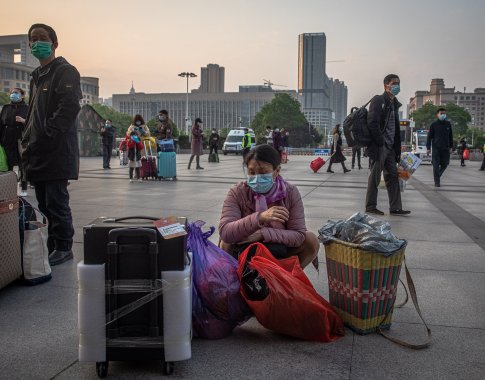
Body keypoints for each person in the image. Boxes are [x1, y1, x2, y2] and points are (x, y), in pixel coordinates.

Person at [21, 23, 82, 265]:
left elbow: (69, 107)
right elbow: (34, 113)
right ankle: (54, 243)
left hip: (55, 150)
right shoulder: (36, 76)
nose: (37, 43)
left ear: (54, 43)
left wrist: (47, 134)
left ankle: (64, 246)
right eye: (33, 39)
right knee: (45, 202)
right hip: (36, 150)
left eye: (42, 38)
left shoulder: (65, 71)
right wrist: (28, 139)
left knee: (57, 200)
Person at [219, 144, 319, 269]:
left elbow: (298, 235)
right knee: (225, 242)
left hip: (279, 250)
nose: (256, 178)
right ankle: (233, 280)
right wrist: (259, 218)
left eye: (263, 172)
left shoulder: (290, 192)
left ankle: (286, 279)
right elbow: (225, 232)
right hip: (243, 250)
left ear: (276, 171)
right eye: (251, 172)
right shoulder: (238, 192)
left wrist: (263, 233)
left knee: (311, 241)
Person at [365, 74, 410, 216]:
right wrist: (379, 142)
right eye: (394, 83)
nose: (397, 86)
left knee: (393, 177)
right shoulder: (378, 100)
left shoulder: (394, 103)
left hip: (390, 147)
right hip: (380, 146)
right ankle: (370, 206)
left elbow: (395, 129)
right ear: (386, 85)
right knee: (375, 177)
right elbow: (372, 122)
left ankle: (395, 207)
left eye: (398, 83)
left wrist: (397, 149)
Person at [0, 87, 28, 195]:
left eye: (16, 93)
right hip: (7, 138)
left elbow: (32, 123)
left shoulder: (27, 108)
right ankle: (9, 189)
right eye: (12, 93)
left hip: (20, 139)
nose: (13, 94)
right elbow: (1, 124)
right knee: (8, 164)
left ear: (22, 96)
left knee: (22, 164)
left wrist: (23, 121)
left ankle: (24, 188)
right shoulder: (6, 107)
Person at [426, 108, 453, 187]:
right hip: (436, 149)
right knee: (436, 165)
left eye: (444, 113)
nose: (443, 115)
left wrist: (451, 146)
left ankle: (437, 176)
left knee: (445, 164)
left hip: (445, 148)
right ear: (437, 115)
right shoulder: (433, 124)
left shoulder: (448, 124)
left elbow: (450, 136)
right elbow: (429, 137)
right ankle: (437, 182)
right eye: (441, 113)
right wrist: (428, 148)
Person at [126, 115, 148, 182]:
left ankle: (141, 175)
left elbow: (148, 133)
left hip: (141, 143)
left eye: (139, 121)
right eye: (137, 121)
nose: (138, 122)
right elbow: (128, 133)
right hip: (133, 152)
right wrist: (132, 134)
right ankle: (132, 177)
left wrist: (144, 132)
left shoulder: (144, 126)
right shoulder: (132, 126)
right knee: (132, 166)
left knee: (140, 161)